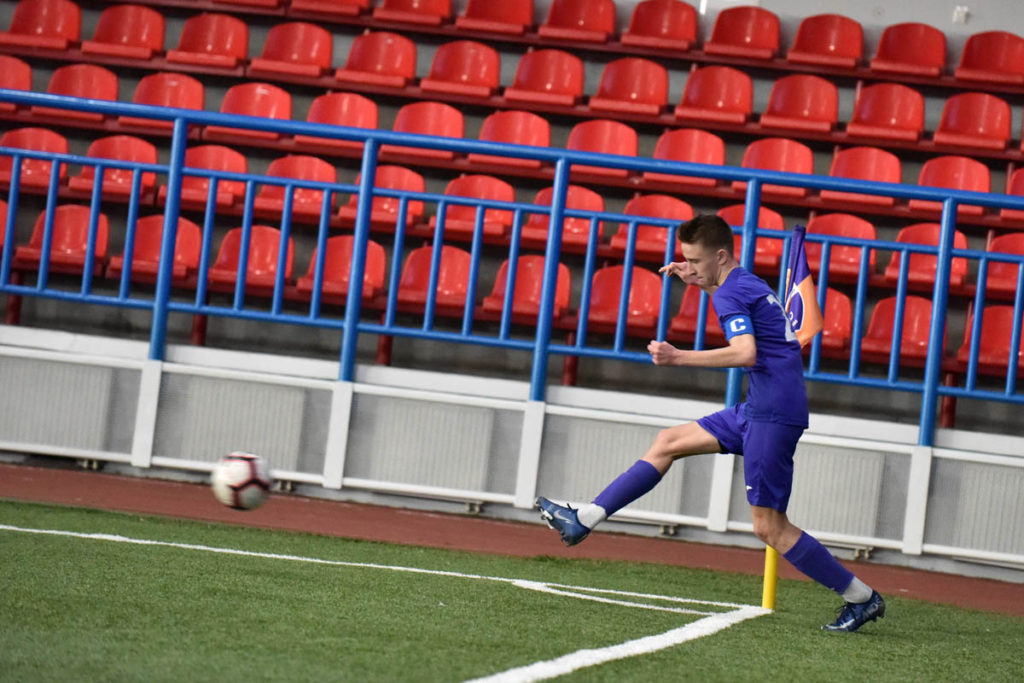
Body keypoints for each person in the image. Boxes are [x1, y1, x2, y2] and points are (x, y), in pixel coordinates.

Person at [537, 214, 885, 633]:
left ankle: (861, 597)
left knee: (770, 527)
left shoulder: (730, 294)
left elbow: (745, 352)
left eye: (695, 261)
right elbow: (741, 316)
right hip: (761, 406)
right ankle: (585, 518)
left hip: (772, 414)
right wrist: (699, 280)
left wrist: (677, 357)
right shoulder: (744, 281)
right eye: (685, 259)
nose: (688, 266)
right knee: (668, 441)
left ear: (720, 256)